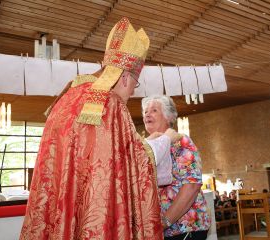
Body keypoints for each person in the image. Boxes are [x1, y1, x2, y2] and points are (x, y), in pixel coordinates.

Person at [20, 17, 163, 240]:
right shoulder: (111, 104)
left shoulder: (67, 96)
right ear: (125, 77)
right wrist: (162, 141)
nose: (133, 92)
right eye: (135, 84)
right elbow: (133, 164)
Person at [142, 95, 211, 240]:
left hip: (185, 228)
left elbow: (191, 186)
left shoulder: (180, 141)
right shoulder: (147, 147)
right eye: (145, 112)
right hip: (160, 231)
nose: (147, 114)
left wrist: (164, 222)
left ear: (168, 117)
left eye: (154, 110)